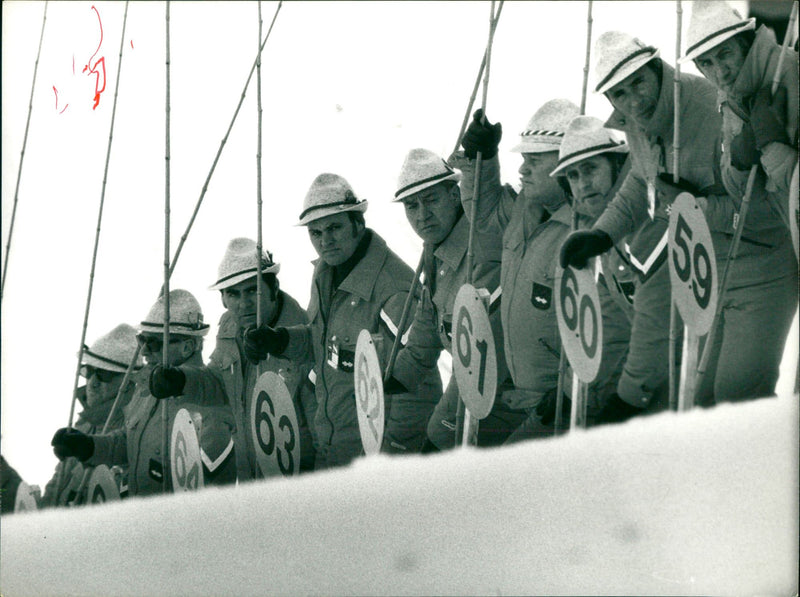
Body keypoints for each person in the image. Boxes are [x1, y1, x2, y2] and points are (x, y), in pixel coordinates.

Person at [560, 29, 796, 413]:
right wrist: (603, 233)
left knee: (739, 400)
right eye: (620, 94)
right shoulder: (637, 123)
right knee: (703, 403)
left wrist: (694, 207)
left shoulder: (709, 106)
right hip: (707, 277)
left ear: (657, 69)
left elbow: (772, 210)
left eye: (639, 83)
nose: (634, 100)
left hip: (762, 267)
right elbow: (640, 179)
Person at [243, 173, 442, 469]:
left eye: (334, 227)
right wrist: (280, 340)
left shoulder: (393, 289)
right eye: (316, 233)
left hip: (373, 462)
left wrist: (394, 453)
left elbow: (418, 381)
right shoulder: (326, 274)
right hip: (332, 449)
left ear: (358, 225)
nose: (326, 241)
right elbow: (324, 345)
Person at [681, 1, 797, 403]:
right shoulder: (731, 98)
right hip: (751, 254)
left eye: (726, 55)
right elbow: (737, 187)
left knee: (738, 399)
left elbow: (790, 196)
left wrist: (776, 151)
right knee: (709, 398)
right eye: (707, 64)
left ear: (746, 44)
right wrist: (747, 156)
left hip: (776, 257)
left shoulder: (790, 73)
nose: (720, 71)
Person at [452, 99, 586, 441]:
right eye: (523, 160)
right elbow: (483, 218)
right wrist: (480, 159)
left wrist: (569, 392)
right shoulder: (526, 206)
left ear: (566, 164)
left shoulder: (585, 228)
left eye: (534, 161)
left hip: (560, 404)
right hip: (518, 394)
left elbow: (604, 322)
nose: (523, 170)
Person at [388, 148, 528, 449]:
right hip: (478, 400)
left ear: (455, 195)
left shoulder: (482, 251)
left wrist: (442, 429)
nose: (422, 215)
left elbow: (481, 355)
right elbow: (427, 326)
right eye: (411, 206)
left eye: (431, 200)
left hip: (508, 401)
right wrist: (396, 378)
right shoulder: (436, 253)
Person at [51, 290, 235, 497]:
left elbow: (212, 490)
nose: (144, 351)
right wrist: (89, 446)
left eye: (154, 343)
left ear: (187, 347)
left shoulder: (210, 404)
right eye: (142, 341)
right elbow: (127, 443)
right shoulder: (144, 392)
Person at [205, 237, 317, 478]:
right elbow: (216, 386)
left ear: (274, 289)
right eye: (233, 294)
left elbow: (321, 423)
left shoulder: (304, 336)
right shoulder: (228, 327)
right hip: (249, 479)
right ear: (223, 299)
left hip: (297, 481)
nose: (244, 304)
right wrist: (182, 380)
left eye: (253, 290)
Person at [548, 115, 635, 422]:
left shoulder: (643, 218)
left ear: (617, 165)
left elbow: (660, 321)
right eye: (573, 176)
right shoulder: (606, 235)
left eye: (591, 169)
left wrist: (632, 399)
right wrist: (570, 391)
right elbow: (609, 321)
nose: (583, 184)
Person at [43, 324, 142, 506]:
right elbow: (57, 484)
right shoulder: (86, 422)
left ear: (129, 383)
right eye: (89, 371)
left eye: (104, 374)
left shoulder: (133, 430)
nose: (92, 383)